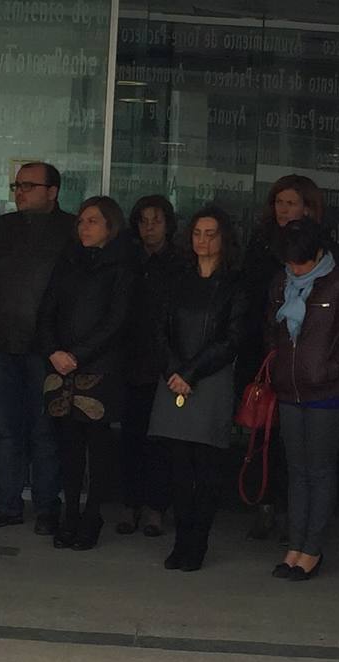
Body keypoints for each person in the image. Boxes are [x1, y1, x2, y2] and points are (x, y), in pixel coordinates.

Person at [141, 207, 251, 571]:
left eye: (211, 233)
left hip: (210, 379)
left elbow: (233, 338)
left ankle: (197, 541)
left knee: (205, 468)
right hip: (172, 379)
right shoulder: (177, 278)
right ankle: (180, 540)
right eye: (198, 233)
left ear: (224, 239)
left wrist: (191, 371)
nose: (203, 241)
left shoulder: (235, 283)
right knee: (177, 466)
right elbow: (157, 329)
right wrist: (174, 369)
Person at [260, 220, 339, 580]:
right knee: (297, 470)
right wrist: (276, 365)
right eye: (290, 262)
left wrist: (329, 369)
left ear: (318, 253)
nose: (295, 268)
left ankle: (312, 548)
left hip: (328, 393)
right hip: (290, 389)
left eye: (301, 262)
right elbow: (272, 332)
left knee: (319, 470)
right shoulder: (282, 282)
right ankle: (295, 544)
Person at [0, 161, 71, 532]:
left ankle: (47, 507)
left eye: (29, 185)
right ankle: (7, 504)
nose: (20, 191)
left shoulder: (70, 231)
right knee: (7, 429)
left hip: (46, 350)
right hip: (0, 344)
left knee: (45, 431)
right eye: (17, 186)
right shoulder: (1, 228)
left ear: (53, 191)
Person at [36, 196, 134, 550]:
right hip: (62, 367)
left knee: (98, 445)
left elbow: (116, 321)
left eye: (93, 221)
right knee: (69, 446)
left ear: (111, 226)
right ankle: (70, 514)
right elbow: (47, 308)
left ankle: (93, 514)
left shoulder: (122, 265)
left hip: (99, 368)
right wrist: (53, 351)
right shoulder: (68, 261)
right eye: (81, 221)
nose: (84, 228)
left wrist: (76, 355)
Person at [111, 194, 180, 534]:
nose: (150, 227)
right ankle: (130, 504)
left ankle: (156, 507)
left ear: (168, 224)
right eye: (143, 220)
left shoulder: (180, 263)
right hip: (129, 360)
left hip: (166, 365)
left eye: (156, 220)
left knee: (161, 442)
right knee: (130, 439)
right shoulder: (127, 260)